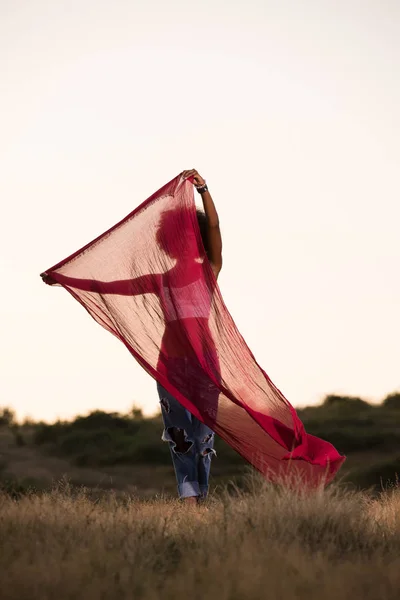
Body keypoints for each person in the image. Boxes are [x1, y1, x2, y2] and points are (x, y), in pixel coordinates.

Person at [41, 169, 223, 504]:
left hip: (205, 361)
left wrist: (204, 190)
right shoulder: (161, 279)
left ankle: (203, 499)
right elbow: (110, 287)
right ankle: (188, 501)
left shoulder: (210, 267)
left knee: (203, 436)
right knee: (178, 435)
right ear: (168, 243)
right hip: (171, 363)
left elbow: (213, 226)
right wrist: (66, 279)